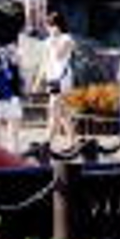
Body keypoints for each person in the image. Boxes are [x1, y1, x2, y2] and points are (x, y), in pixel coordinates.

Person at [38, 11, 77, 144]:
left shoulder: (67, 38)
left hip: (62, 77)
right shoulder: (48, 41)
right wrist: (38, 80)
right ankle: (72, 140)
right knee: (64, 111)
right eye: (48, 26)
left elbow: (59, 55)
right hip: (52, 77)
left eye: (51, 25)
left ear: (58, 26)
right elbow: (45, 61)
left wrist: (54, 40)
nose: (49, 29)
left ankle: (48, 140)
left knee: (54, 107)